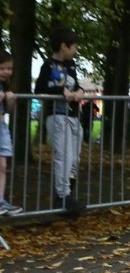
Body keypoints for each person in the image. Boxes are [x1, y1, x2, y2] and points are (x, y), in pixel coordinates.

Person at [34, 27, 94, 218]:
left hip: (73, 117)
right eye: (73, 46)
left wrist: (79, 93)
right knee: (64, 157)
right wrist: (60, 93)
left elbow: (75, 86)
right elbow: (40, 90)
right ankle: (63, 195)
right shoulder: (48, 66)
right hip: (57, 116)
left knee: (74, 159)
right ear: (63, 46)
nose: (75, 50)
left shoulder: (72, 65)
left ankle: (67, 199)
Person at [0, 50, 21, 215]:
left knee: (3, 165)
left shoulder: (4, 86)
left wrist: (10, 100)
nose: (7, 72)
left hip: (2, 128)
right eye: (2, 68)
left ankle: (1, 201)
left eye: (9, 69)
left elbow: (7, 110)